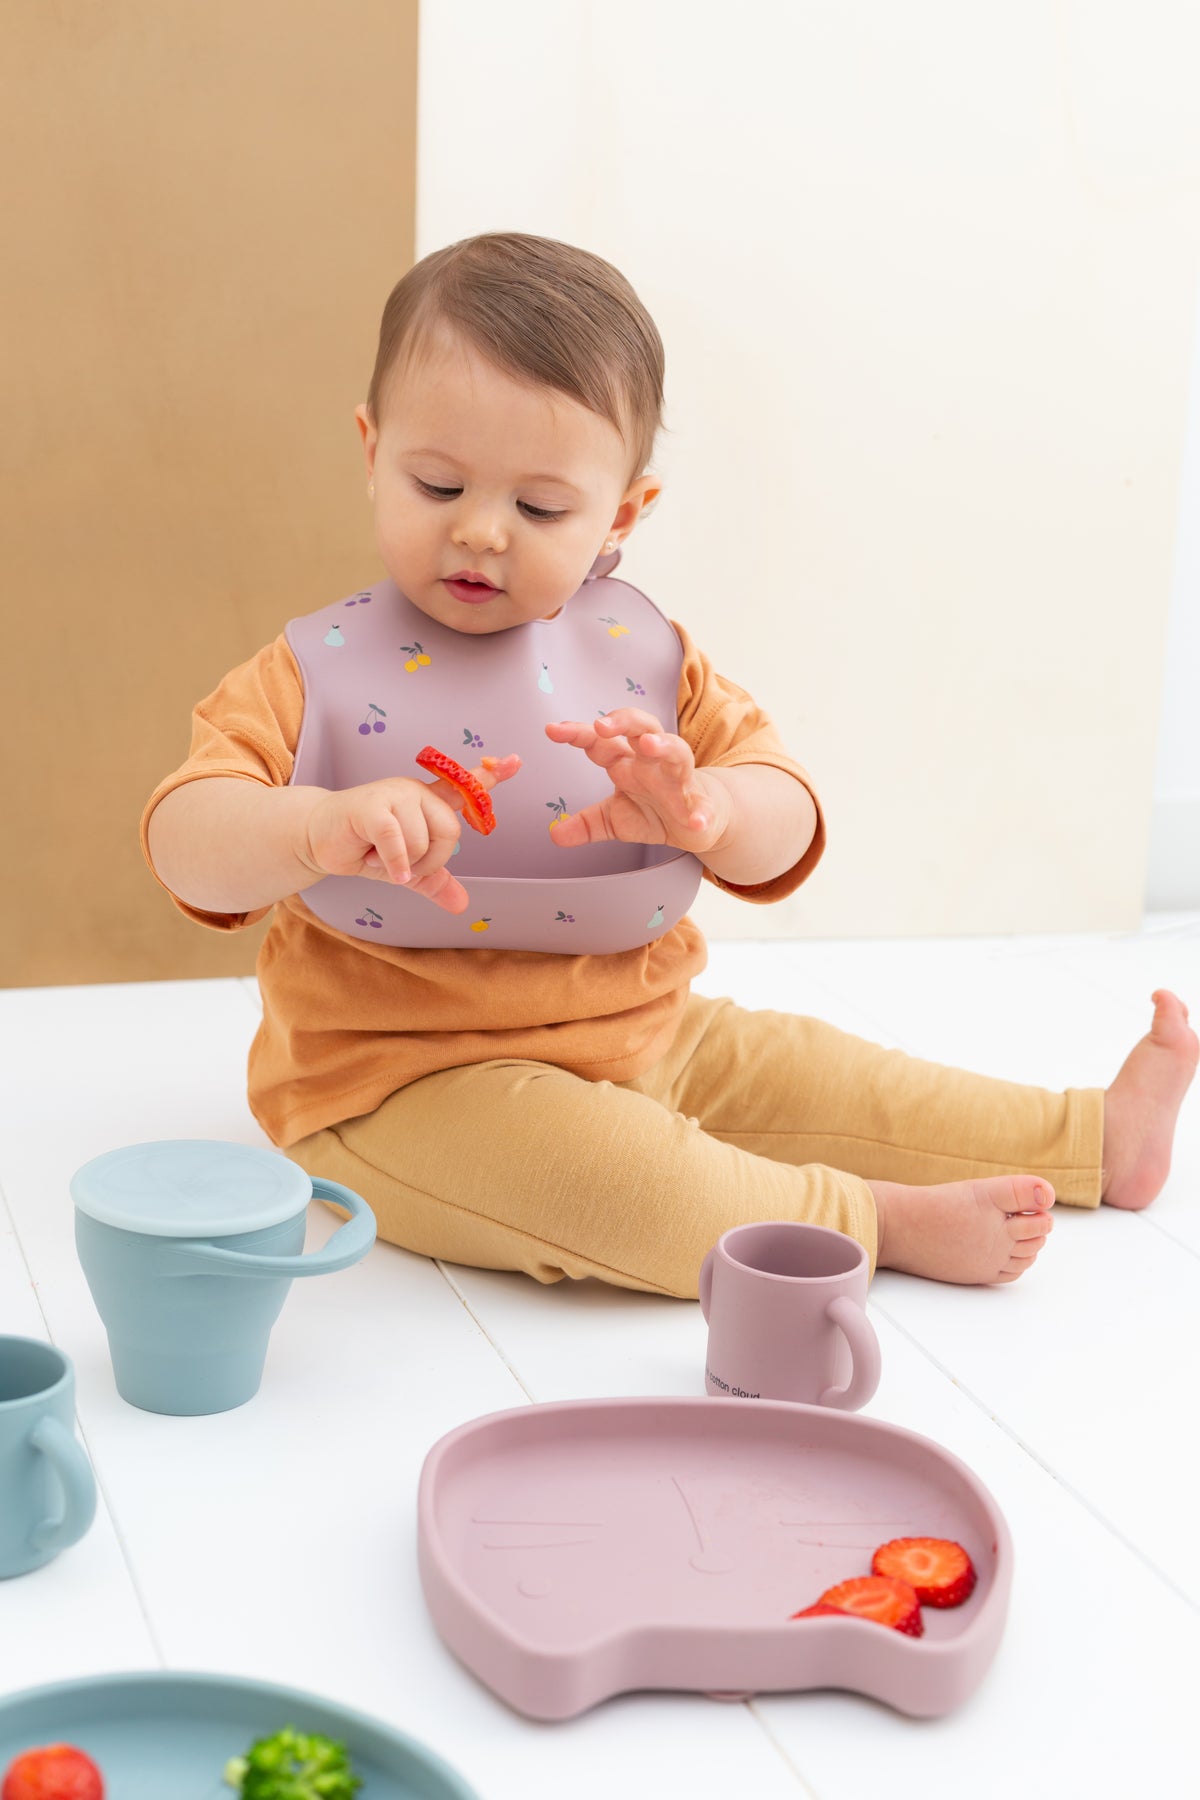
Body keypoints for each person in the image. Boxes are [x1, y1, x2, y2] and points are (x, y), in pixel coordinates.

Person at [142, 231, 1197, 1298]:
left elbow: (786, 816)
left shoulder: (643, 657)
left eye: (541, 508)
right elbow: (188, 842)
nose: (482, 532)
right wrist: (312, 827)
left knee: (839, 1079)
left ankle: (1093, 1138)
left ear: (623, 513)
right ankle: (867, 1222)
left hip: (651, 1030)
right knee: (614, 1184)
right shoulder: (309, 670)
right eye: (438, 483)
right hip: (399, 1081)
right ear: (373, 453)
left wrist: (709, 811)